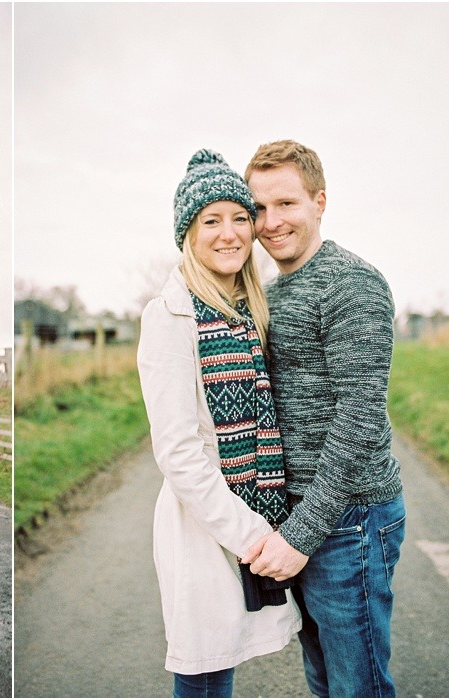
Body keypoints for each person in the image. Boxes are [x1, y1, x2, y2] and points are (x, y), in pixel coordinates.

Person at [240, 139, 406, 698]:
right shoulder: (270, 291)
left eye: (286, 203)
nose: (270, 222)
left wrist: (303, 534)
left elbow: (358, 419)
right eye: (258, 208)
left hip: (349, 519)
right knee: (324, 680)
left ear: (320, 201)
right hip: (301, 518)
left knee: (357, 686)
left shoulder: (351, 284)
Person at [137, 149, 302, 698]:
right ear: (188, 232)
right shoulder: (170, 315)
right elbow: (179, 453)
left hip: (255, 515)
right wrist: (254, 536)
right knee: (204, 676)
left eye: (239, 218)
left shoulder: (247, 308)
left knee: (218, 671)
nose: (229, 233)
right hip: (208, 526)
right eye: (211, 220)